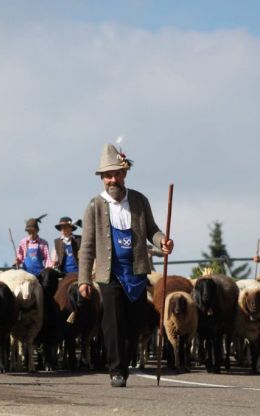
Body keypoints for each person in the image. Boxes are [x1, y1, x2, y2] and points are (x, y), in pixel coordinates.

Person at [78, 143, 174, 388]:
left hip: (137, 271)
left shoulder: (139, 200)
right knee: (113, 322)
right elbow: (87, 246)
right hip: (109, 273)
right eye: (108, 175)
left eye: (116, 174)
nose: (113, 179)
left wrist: (163, 241)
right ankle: (117, 370)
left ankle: (126, 358)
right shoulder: (94, 206)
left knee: (136, 323)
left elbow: (152, 230)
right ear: (102, 178)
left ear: (124, 173)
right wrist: (83, 280)